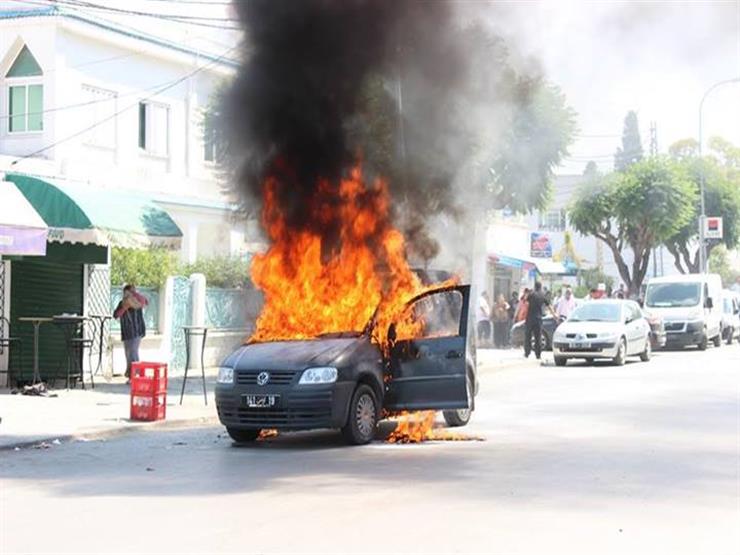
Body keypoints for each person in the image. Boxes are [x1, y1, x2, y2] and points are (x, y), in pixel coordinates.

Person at [114, 284, 149, 380]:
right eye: (130, 291)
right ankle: (131, 375)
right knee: (128, 354)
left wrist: (136, 297)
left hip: (136, 331)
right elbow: (116, 315)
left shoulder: (138, 301)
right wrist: (125, 308)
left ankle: (135, 376)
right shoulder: (122, 303)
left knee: (133, 353)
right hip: (126, 332)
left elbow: (145, 302)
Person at [524, 282, 556, 360]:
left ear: (535, 287)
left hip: (530, 318)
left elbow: (525, 301)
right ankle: (538, 354)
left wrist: (528, 293)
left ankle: (527, 353)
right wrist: (554, 315)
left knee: (528, 336)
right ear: (540, 287)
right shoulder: (543, 296)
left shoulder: (531, 295)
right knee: (538, 336)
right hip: (538, 319)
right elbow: (549, 306)